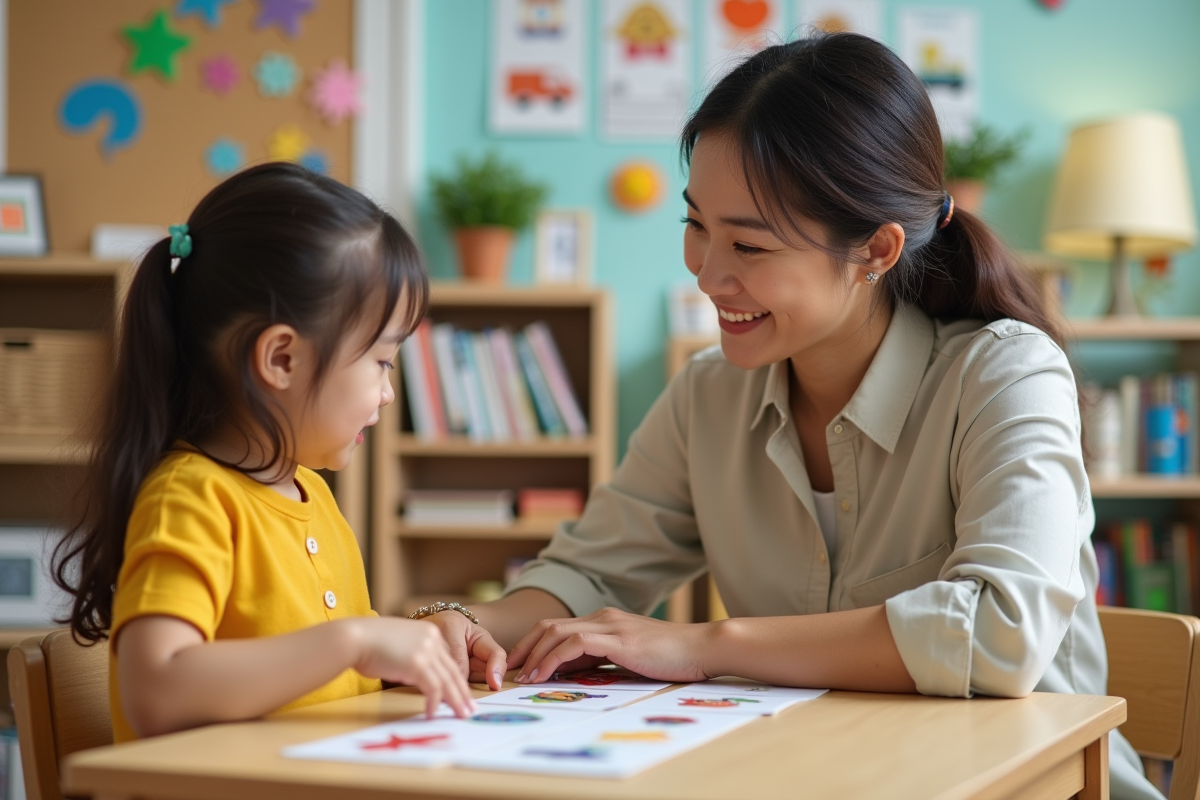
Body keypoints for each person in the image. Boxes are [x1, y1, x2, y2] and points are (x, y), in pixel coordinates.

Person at [425, 34, 1163, 799]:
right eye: (695, 226)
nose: (709, 274)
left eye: (747, 243)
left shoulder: (1006, 372)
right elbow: (584, 573)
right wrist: (448, 627)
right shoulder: (707, 395)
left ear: (875, 250)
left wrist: (706, 646)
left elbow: (999, 634)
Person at [54, 163, 476, 742]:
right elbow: (155, 690)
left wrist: (417, 647)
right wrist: (354, 642)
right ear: (281, 359)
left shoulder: (313, 495)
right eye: (381, 360)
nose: (388, 391)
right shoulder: (190, 497)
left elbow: (329, 679)